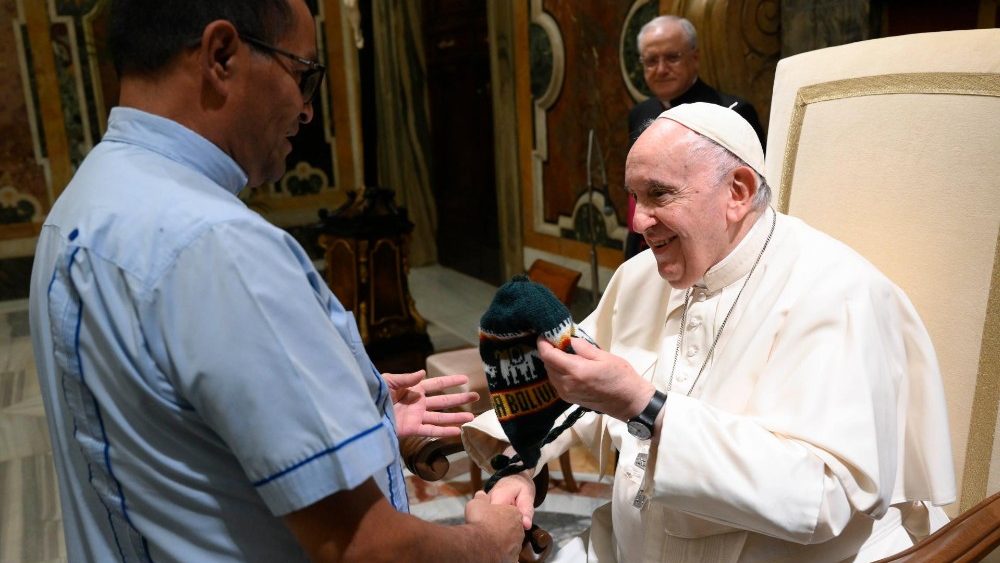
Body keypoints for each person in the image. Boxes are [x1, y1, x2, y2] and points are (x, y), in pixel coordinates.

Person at [27, 0, 523, 561]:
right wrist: (490, 539)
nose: (307, 111)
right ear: (221, 55)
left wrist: (355, 417)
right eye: (303, 73)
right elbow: (367, 549)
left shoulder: (79, 206)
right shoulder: (221, 246)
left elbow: (165, 430)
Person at [463, 103, 957, 562]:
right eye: (633, 197)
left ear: (738, 192)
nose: (637, 222)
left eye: (658, 194)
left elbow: (825, 498)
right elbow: (577, 394)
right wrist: (519, 467)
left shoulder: (839, 293)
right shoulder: (641, 277)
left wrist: (645, 406)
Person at [624, 15, 765, 260]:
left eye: (672, 58)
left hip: (713, 252)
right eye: (651, 61)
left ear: (695, 57)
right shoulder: (640, 114)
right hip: (650, 246)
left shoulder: (732, 111)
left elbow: (754, 198)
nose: (661, 69)